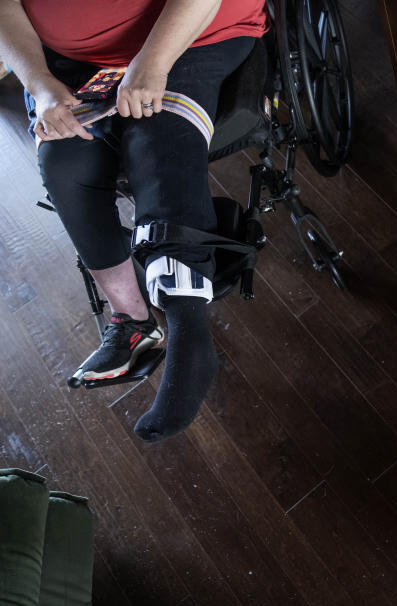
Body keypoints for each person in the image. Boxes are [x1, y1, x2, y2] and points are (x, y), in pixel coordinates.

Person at [0, 0, 268, 441]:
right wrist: (40, 83)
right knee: (65, 165)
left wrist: (154, 61)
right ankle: (131, 322)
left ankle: (188, 331)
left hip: (193, 32)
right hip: (74, 61)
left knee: (156, 139)